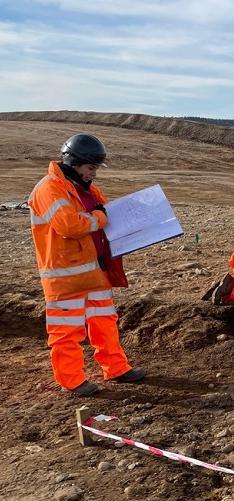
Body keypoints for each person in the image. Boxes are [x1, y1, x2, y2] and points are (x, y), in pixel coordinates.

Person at [28, 134, 145, 397]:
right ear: (74, 163)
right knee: (67, 330)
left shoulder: (87, 188)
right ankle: (71, 379)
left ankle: (116, 368)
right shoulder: (49, 188)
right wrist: (99, 217)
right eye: (90, 168)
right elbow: (69, 226)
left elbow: (106, 214)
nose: (93, 174)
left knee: (105, 321)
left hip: (95, 272)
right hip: (64, 277)